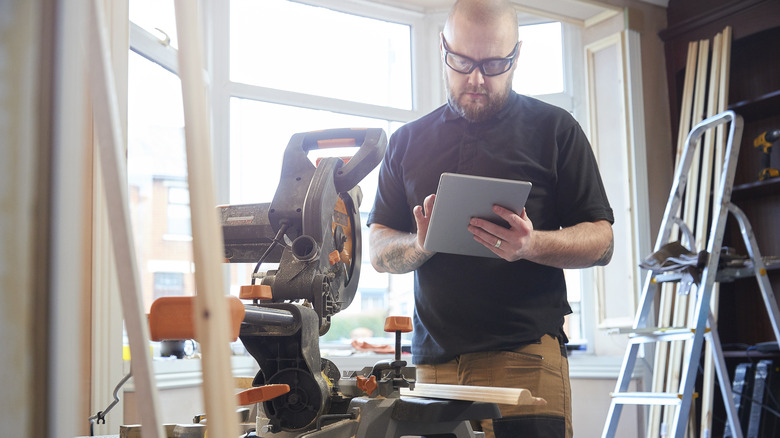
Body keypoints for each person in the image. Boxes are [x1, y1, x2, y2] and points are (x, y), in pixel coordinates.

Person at [366, 0, 614, 437]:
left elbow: (602, 241)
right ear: (443, 48)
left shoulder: (556, 130)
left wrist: (531, 245)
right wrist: (420, 246)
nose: (476, 78)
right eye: (462, 61)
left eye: (494, 64)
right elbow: (379, 252)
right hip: (433, 368)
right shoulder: (406, 142)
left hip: (526, 358)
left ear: (516, 55)